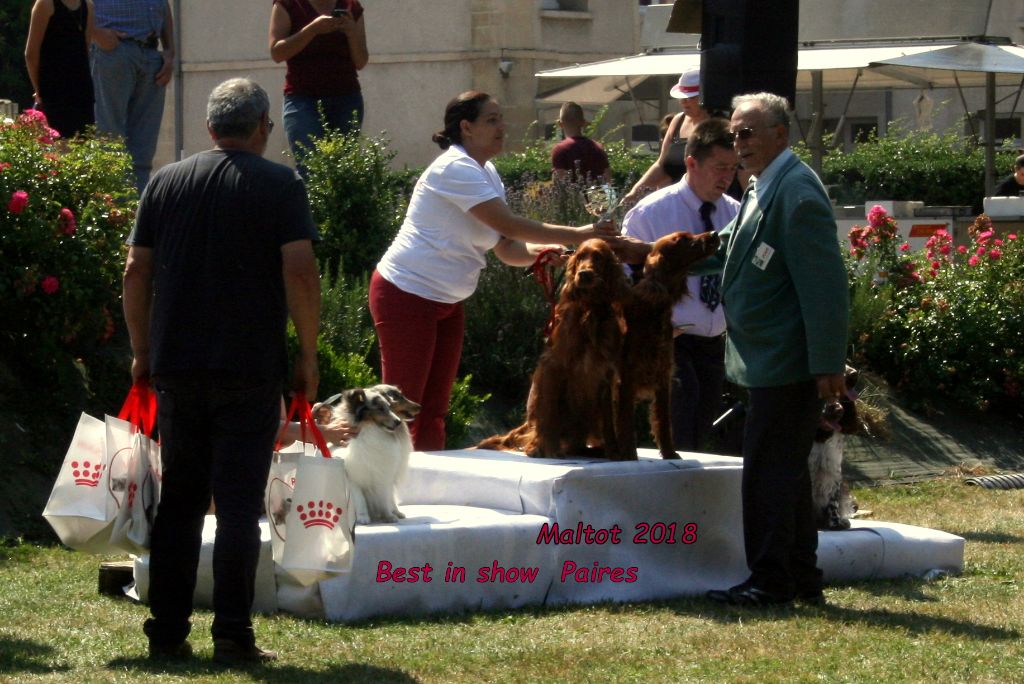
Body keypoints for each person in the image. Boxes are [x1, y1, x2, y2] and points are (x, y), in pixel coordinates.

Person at [122, 77, 322, 663]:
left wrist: (141, 350)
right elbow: (301, 272)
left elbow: (136, 271)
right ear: (263, 125)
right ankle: (233, 635)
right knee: (237, 504)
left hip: (177, 364)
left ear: (211, 127)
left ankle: (166, 633)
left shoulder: (164, 181)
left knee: (181, 501)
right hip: (248, 364)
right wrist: (307, 355)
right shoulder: (281, 183)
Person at [370, 90, 619, 452]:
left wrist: (548, 252)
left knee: (435, 411)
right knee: (401, 411)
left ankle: (422, 493)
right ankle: (380, 495)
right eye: (492, 120)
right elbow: (510, 224)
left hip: (446, 301)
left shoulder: (487, 173)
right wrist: (580, 233)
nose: (502, 126)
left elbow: (507, 247)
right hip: (405, 295)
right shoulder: (455, 167)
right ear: (466, 128)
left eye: (501, 118)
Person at [695, 92, 849, 607]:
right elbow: (731, 249)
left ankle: (770, 581)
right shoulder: (766, 184)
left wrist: (828, 363)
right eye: (735, 134)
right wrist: (659, 254)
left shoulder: (797, 192)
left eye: (749, 133)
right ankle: (801, 577)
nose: (739, 144)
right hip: (768, 360)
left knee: (767, 476)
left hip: (787, 362)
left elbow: (825, 288)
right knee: (784, 474)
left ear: (780, 135)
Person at [621, 118, 739, 453]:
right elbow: (628, 278)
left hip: (714, 340)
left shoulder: (735, 213)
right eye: (718, 167)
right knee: (678, 429)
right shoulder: (652, 212)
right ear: (691, 163)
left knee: (701, 428)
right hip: (672, 338)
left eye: (732, 168)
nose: (726, 177)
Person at [269, 0, 368, 175]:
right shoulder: (289, 4)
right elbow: (277, 52)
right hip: (302, 99)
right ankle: (309, 204)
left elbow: (360, 61)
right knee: (310, 169)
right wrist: (312, 29)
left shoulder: (350, 6)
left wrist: (351, 32)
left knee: (343, 171)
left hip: (345, 98)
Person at [90, 0, 174, 193]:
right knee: (110, 140)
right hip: (114, 52)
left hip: (153, 55)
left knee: (143, 148)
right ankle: (112, 212)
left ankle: (137, 211)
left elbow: (163, 6)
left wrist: (170, 51)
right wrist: (97, 33)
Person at [622, 67, 711, 205]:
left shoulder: (721, 123)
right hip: (676, 205)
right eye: (682, 98)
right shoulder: (677, 121)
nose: (683, 102)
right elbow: (661, 164)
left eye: (690, 97)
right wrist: (635, 192)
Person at [24, 0, 96, 138]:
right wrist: (39, 89)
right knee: (56, 145)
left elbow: (84, 49)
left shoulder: (88, 6)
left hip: (81, 89)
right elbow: (31, 54)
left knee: (80, 147)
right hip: (53, 88)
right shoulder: (45, 4)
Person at [551, 101, 611, 185]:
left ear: (560, 124)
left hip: (572, 197)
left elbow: (559, 182)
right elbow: (608, 179)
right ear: (583, 123)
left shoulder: (560, 149)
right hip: (595, 196)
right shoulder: (597, 148)